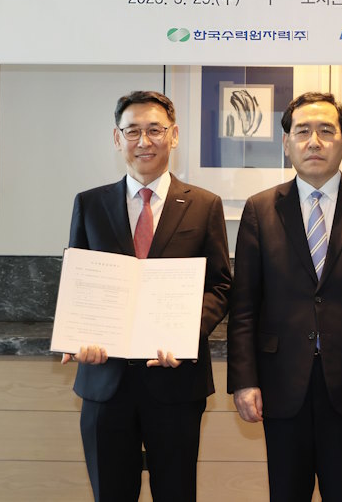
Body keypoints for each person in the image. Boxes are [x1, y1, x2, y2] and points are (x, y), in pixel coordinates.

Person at [227, 91, 342, 502]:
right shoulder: (259, 209)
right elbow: (244, 308)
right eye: (303, 131)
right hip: (280, 382)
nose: (314, 141)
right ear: (286, 142)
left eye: (327, 130)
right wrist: (244, 380)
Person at [60, 90, 232, 502]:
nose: (144, 141)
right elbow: (77, 284)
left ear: (173, 136)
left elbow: (221, 285)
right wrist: (77, 335)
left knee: (175, 493)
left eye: (154, 130)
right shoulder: (90, 203)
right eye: (132, 131)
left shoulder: (204, 205)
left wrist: (185, 334)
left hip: (175, 383)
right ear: (117, 139)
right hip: (105, 382)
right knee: (111, 494)